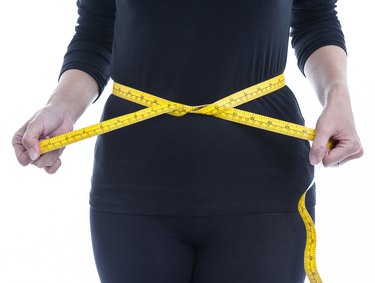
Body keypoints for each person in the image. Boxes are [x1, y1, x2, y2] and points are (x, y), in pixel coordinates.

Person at [12, 0, 363, 282]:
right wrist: (61, 107)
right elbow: (97, 33)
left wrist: (339, 96)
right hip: (134, 185)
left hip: (264, 184)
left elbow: (314, 20)